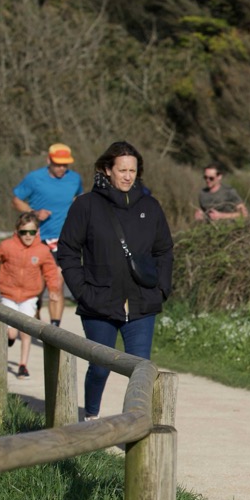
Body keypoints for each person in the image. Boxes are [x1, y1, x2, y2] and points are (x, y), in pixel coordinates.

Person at [56, 140, 174, 421]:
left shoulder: (150, 206)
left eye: (133, 170)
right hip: (98, 302)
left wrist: (161, 290)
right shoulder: (86, 205)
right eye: (122, 170)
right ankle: (91, 418)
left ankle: (135, 427)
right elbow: (68, 251)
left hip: (142, 303)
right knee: (100, 368)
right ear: (107, 170)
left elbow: (164, 251)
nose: (128, 176)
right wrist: (83, 292)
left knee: (141, 371)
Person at [0, 212, 64, 379]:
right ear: (17, 231)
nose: (28, 236)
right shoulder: (7, 246)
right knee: (11, 333)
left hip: (30, 297)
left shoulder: (42, 250)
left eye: (31, 232)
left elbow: (51, 272)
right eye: (24, 232)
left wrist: (53, 290)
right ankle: (10, 338)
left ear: (37, 232)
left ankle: (23, 365)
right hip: (8, 295)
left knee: (26, 330)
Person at [12, 142, 82, 319]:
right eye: (58, 164)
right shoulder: (34, 178)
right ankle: (35, 324)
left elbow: (78, 198)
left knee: (56, 284)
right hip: (38, 239)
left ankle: (54, 329)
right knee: (37, 287)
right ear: (48, 160)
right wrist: (34, 213)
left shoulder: (75, 179)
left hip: (63, 240)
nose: (61, 168)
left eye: (65, 164)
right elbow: (17, 200)